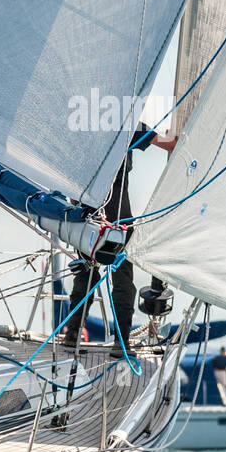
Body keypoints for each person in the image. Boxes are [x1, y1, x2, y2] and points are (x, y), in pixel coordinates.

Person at [64, 122, 174, 353]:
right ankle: (121, 341)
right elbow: (170, 144)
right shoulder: (127, 121)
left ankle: (73, 334)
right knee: (122, 280)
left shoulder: (86, 121)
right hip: (118, 222)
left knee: (86, 275)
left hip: (87, 217)